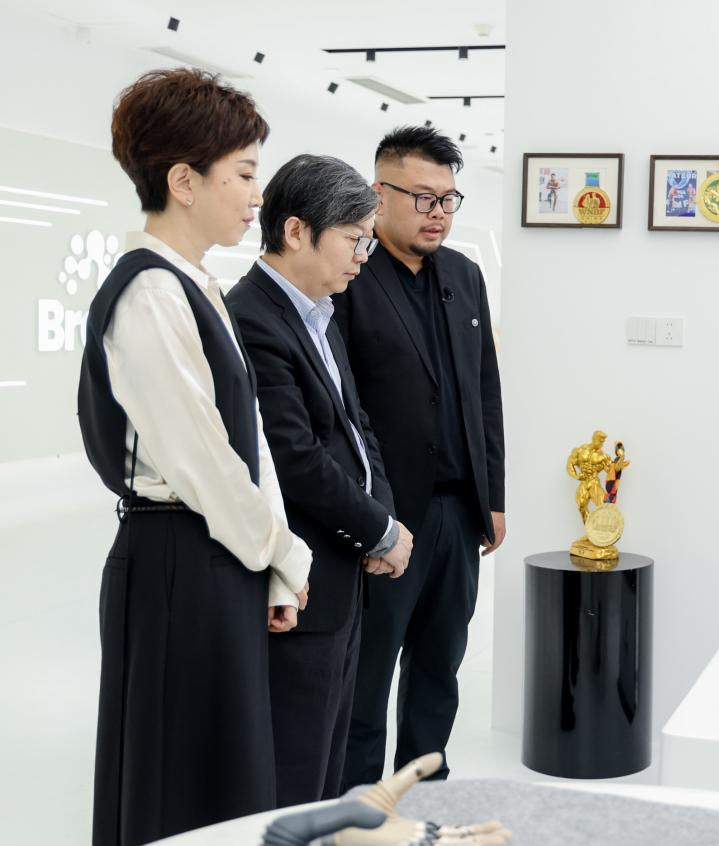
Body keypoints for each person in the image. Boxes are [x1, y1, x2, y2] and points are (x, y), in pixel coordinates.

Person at [78, 68, 311, 846]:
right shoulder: (149, 294)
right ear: (184, 181)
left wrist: (273, 561)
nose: (256, 196)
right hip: (177, 559)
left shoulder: (193, 284)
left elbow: (247, 443)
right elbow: (204, 461)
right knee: (178, 787)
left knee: (220, 779)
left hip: (212, 556)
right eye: (242, 175)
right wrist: (283, 553)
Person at [225, 154, 416, 807]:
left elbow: (358, 430)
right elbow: (294, 457)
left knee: (331, 764)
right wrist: (379, 529)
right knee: (294, 772)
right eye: (354, 239)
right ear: (296, 231)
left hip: (343, 572)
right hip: (298, 582)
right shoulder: (251, 318)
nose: (364, 256)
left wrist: (383, 520)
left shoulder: (321, 312)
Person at [337, 126, 506, 786]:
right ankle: (356, 804)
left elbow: (484, 391)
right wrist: (365, 516)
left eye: (448, 199)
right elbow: (341, 409)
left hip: (458, 515)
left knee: (440, 667)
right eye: (423, 198)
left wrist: (493, 499)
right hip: (386, 516)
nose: (438, 213)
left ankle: (425, 789)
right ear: (378, 195)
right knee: (367, 673)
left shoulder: (463, 275)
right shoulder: (348, 276)